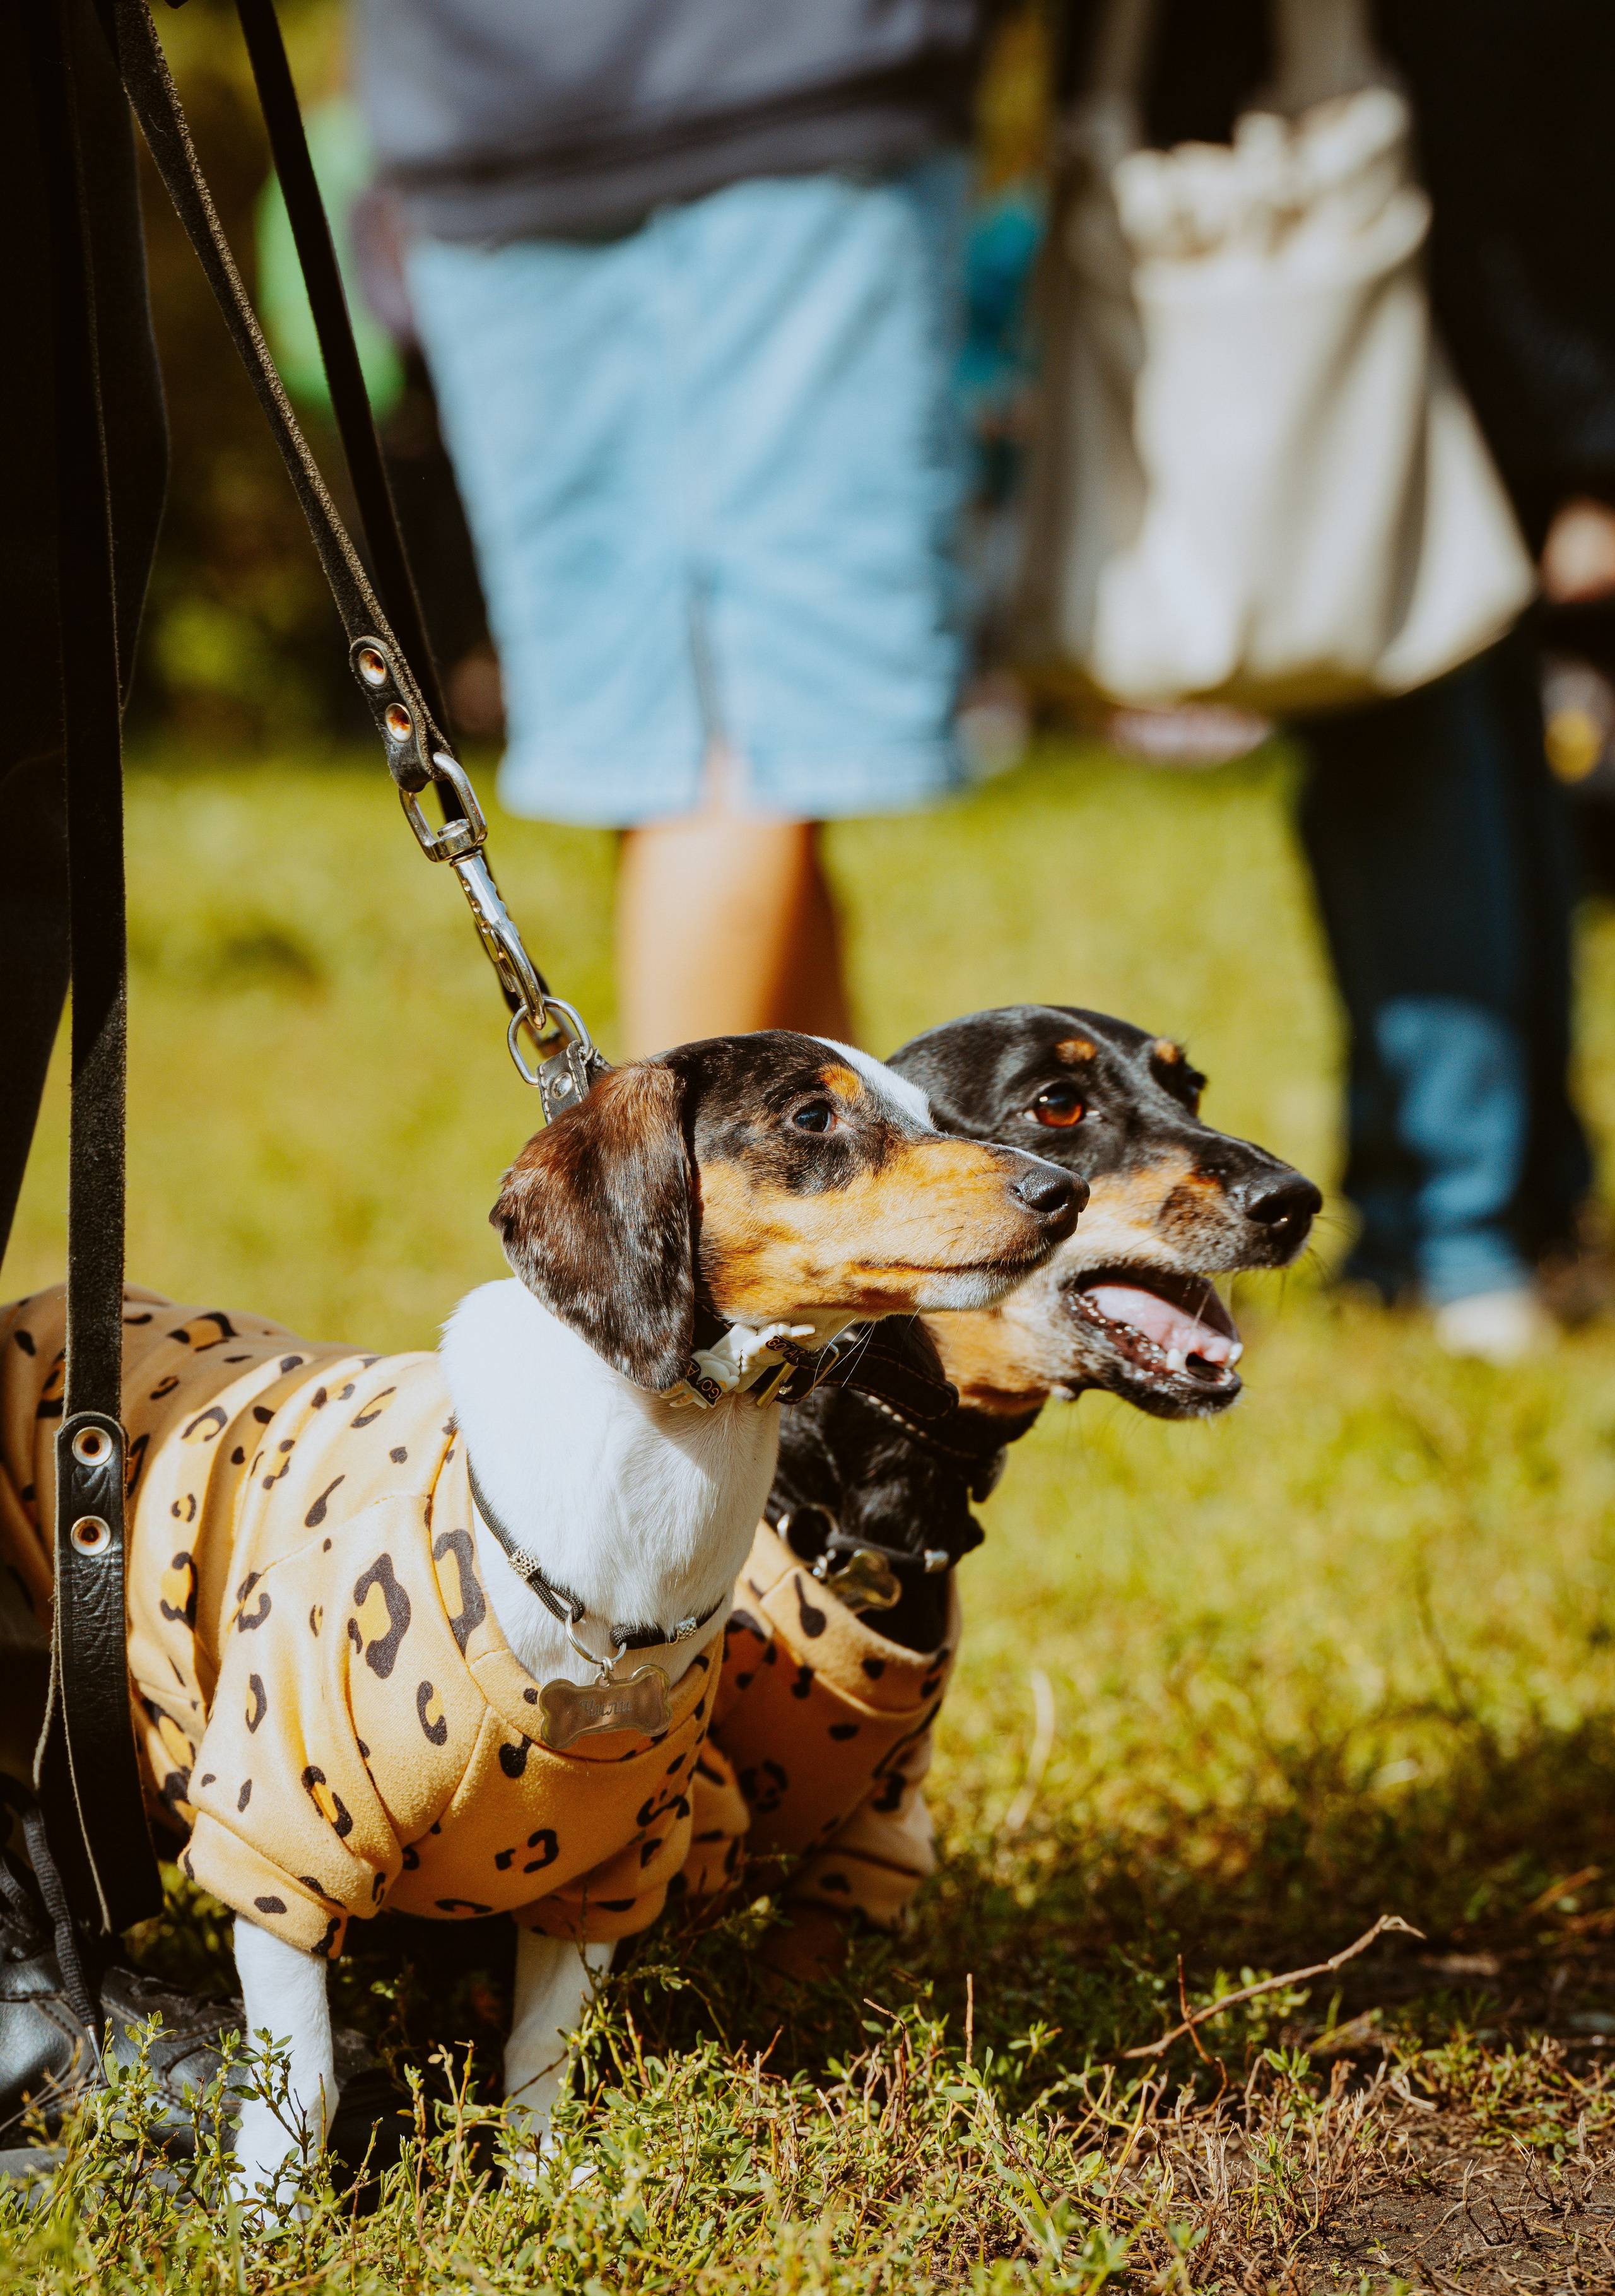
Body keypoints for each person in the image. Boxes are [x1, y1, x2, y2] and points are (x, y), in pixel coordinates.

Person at [1057, 0, 1612, 1360]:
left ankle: (1455, 1221)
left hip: (1407, 236)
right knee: (1464, 732)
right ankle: (1510, 1200)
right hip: (1455, 236)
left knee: (1408, 739)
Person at [353, 3, 998, 1056]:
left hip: (484, 99)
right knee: (739, 760)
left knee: (687, 763)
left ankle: (839, 1213)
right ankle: (685, 1219)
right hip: (787, 75)